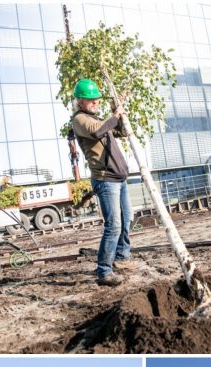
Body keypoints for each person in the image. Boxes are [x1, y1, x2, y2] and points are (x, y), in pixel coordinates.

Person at [70, 78, 133, 287]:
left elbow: (120, 131)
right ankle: (104, 271)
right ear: (80, 101)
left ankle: (122, 258)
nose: (95, 102)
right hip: (106, 180)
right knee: (113, 226)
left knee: (126, 220)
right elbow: (98, 130)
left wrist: (121, 115)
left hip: (119, 178)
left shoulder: (97, 118)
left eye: (96, 99)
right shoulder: (80, 120)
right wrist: (114, 116)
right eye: (91, 99)